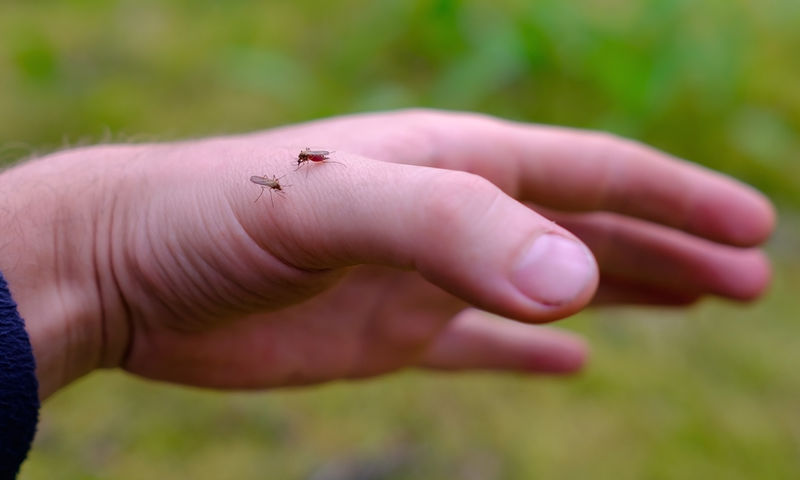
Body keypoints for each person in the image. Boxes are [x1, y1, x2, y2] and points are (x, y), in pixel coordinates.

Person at [0, 109, 775, 476]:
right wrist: (95, 262)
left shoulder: (311, 165)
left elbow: (316, 162)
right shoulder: (292, 180)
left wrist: (91, 271)